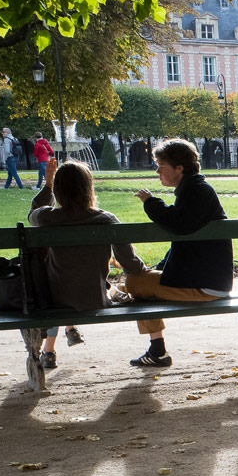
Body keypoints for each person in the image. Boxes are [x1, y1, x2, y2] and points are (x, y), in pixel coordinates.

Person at [29, 158, 148, 369]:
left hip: (54, 300)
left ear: (59, 190)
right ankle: (68, 330)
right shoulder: (106, 219)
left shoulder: (48, 218)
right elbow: (128, 261)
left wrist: (47, 185)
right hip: (94, 298)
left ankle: (48, 347)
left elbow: (33, 213)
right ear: (88, 187)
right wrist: (141, 270)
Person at [124, 138, 232, 368]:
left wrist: (150, 202)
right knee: (140, 284)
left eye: (161, 166)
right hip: (209, 280)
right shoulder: (195, 190)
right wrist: (159, 269)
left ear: (179, 168)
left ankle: (157, 351)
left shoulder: (196, 192)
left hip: (205, 285)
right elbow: (181, 243)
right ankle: (157, 351)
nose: (157, 171)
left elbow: (177, 223)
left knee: (134, 283)